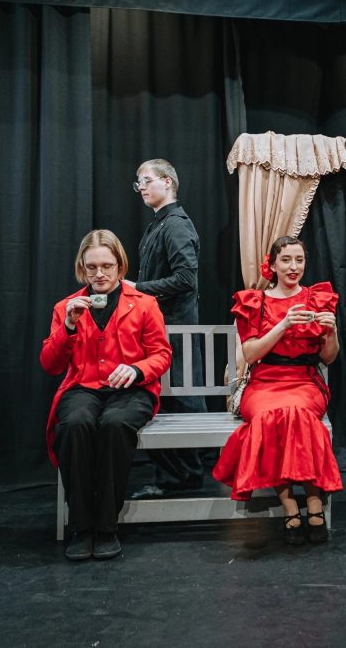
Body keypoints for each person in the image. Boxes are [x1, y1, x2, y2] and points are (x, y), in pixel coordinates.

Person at [40, 230, 171, 561]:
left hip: (130, 391)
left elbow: (161, 354)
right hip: (82, 387)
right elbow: (50, 364)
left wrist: (137, 369)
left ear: (120, 267)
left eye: (107, 266)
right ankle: (82, 527)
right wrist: (68, 327)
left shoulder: (144, 304)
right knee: (74, 424)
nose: (99, 274)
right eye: (92, 267)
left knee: (114, 424)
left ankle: (106, 526)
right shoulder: (66, 307)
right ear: (82, 268)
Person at [212, 236, 343, 544]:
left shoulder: (317, 298)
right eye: (286, 260)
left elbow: (328, 358)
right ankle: (290, 505)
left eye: (299, 260)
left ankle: (313, 500)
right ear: (271, 265)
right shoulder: (254, 302)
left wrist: (332, 331)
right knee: (270, 416)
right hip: (264, 382)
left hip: (305, 381)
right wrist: (283, 324)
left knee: (297, 413)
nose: (293, 266)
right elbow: (251, 355)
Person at [130, 158, 206, 498]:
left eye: (147, 180)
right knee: (169, 399)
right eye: (139, 183)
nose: (141, 188)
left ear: (168, 182)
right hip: (163, 328)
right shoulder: (160, 224)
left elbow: (186, 279)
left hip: (176, 330)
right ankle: (178, 475)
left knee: (181, 399)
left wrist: (136, 289)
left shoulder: (175, 225)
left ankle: (183, 477)